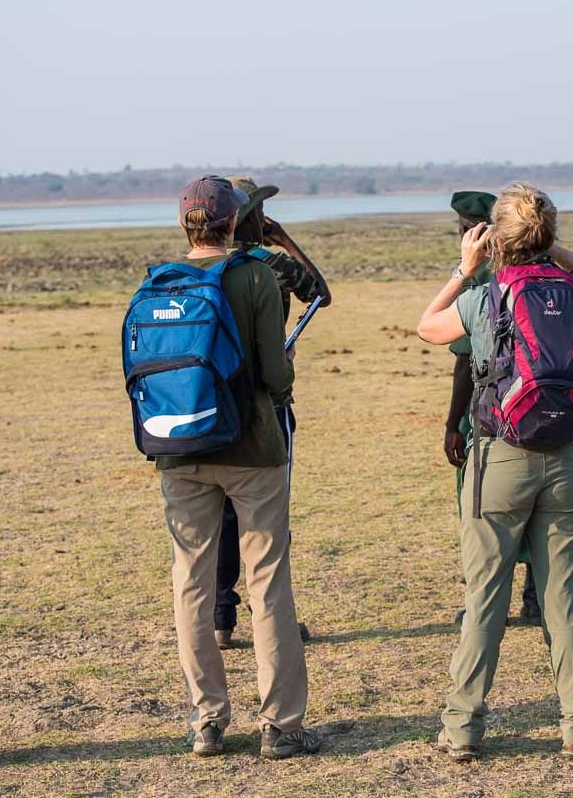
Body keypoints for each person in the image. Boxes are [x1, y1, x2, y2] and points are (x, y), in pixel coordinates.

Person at [417, 183, 573, 761]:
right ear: (548, 236)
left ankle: (462, 728)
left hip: (498, 459)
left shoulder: (487, 296)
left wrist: (465, 266)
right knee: (566, 603)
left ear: (495, 237)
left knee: (485, 600)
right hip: (568, 460)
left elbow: (428, 326)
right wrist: (559, 253)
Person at [156, 176, 319, 759]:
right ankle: (281, 724)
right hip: (252, 448)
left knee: (191, 584)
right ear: (233, 223)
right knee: (268, 579)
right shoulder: (256, 275)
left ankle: (207, 720)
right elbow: (275, 380)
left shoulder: (160, 280)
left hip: (181, 451)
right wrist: (284, 366)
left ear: (185, 225)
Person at [208, 176, 331, 649]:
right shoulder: (272, 265)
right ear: (251, 217)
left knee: (219, 515)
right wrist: (283, 239)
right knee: (268, 517)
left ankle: (220, 618)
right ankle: (272, 620)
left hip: (211, 404)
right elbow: (320, 292)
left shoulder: (202, 268)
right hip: (267, 405)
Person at [444, 191, 540, 627]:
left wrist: (451, 423)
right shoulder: (545, 273)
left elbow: (464, 360)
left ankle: (484, 605)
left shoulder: (481, 282)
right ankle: (536, 598)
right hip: (541, 408)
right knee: (542, 512)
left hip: (489, 415)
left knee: (481, 511)